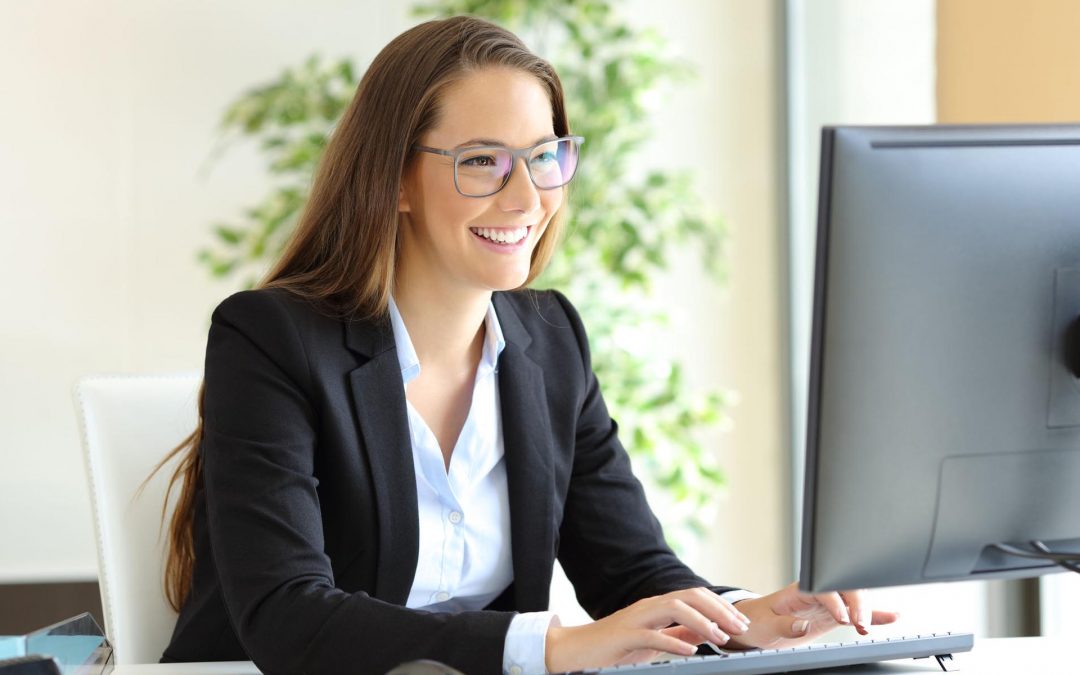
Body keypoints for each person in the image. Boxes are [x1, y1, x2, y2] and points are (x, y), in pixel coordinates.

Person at [157, 15, 897, 675]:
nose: (526, 198)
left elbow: (631, 572)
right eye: (482, 161)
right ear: (398, 179)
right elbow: (291, 618)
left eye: (545, 156)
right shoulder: (270, 339)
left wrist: (749, 618)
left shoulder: (551, 341)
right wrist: (549, 645)